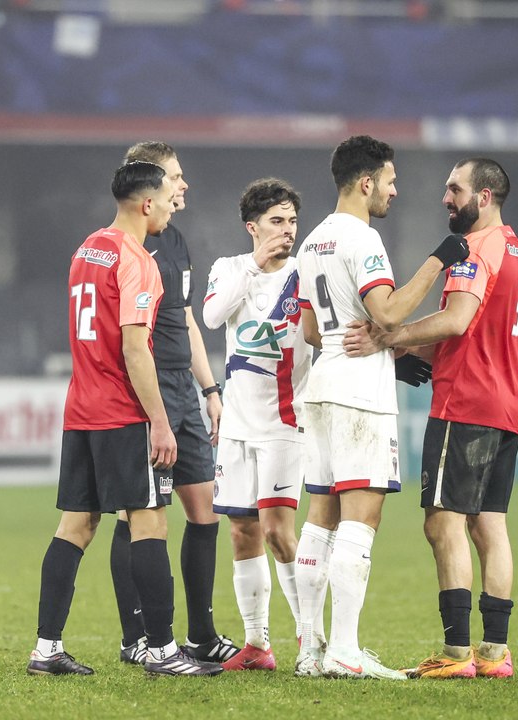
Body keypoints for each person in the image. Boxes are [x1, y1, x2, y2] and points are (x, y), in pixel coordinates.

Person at [28, 160, 220, 677]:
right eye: (165, 197)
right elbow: (136, 350)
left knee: (76, 525)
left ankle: (47, 648)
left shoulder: (86, 248)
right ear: (146, 203)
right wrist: (159, 420)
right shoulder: (137, 260)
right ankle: (160, 649)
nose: (170, 206)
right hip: (121, 413)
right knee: (149, 521)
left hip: (80, 410)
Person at [345, 157, 518, 679]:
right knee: (489, 525)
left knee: (441, 522)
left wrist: (389, 337)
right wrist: (412, 356)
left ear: (485, 196)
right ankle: (495, 654)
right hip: (507, 405)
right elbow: (479, 332)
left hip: (466, 403)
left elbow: (456, 319)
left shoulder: (474, 250)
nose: (446, 198)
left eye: (456, 190)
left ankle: (456, 656)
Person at [292, 135, 469, 680]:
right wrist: (440, 259)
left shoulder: (314, 240)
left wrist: (381, 357)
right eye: (390, 181)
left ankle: (310, 649)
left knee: (319, 520)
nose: (395, 190)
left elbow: (311, 329)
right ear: (366, 182)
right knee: (360, 521)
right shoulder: (362, 239)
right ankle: (345, 649)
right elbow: (388, 314)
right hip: (358, 397)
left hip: (321, 389)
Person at [108, 142, 236, 668]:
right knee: (137, 512)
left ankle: (201, 634)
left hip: (184, 388)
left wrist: (211, 392)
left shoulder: (175, 242)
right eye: (176, 178)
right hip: (148, 387)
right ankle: (135, 636)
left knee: (205, 511)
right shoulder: (128, 247)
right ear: (150, 187)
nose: (183, 187)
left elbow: (182, 319)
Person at [200, 178, 310, 671]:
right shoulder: (229, 268)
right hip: (237, 427)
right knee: (242, 530)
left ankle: (311, 638)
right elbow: (211, 316)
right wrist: (254, 266)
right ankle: (258, 644)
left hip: (286, 423)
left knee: (278, 531)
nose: (286, 231)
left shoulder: (306, 275)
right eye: (275, 222)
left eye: (291, 221)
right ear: (252, 227)